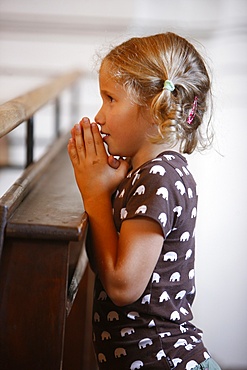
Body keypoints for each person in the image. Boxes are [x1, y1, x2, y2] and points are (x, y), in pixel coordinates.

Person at [67, 32, 221, 370]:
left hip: (166, 360)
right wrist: (106, 190)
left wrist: (94, 195)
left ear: (155, 109)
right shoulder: (152, 174)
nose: (99, 116)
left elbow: (122, 285)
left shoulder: (158, 177)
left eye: (110, 99)